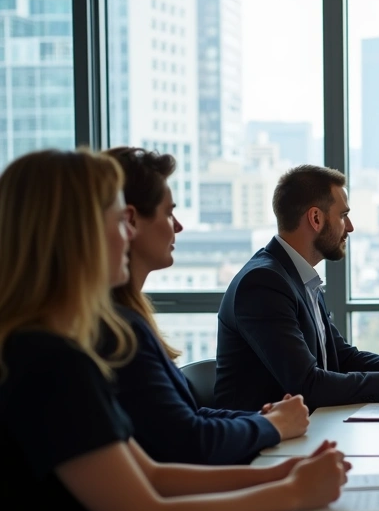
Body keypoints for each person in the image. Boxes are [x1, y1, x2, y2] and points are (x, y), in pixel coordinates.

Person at [0, 149, 348, 511]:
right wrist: (292, 493)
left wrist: (281, 473)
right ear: (77, 234)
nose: (128, 231)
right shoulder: (52, 363)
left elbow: (152, 474)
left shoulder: (43, 349)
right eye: (119, 217)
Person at [104, 147, 309, 465]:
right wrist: (272, 425)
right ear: (131, 221)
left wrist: (263, 419)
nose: (179, 226)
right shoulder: (117, 331)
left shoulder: (127, 319)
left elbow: (186, 418)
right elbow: (186, 440)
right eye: (169, 212)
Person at [214, 165, 379, 411]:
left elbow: (342, 357)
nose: (349, 227)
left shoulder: (296, 276)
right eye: (343, 215)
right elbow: (306, 385)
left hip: (306, 429)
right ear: (316, 218)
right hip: (266, 444)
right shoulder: (263, 283)